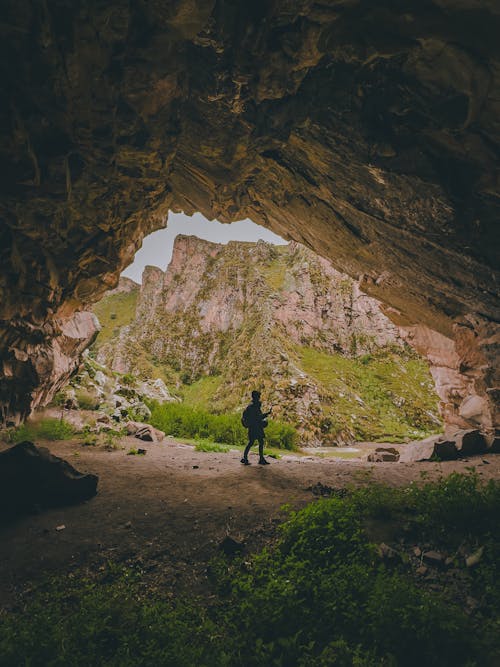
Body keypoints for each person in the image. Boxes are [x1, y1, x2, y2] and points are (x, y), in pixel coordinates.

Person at [241, 390, 272, 465]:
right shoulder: (253, 407)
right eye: (258, 396)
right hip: (256, 427)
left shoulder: (252, 406)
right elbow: (258, 417)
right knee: (258, 442)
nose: (259, 398)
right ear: (256, 397)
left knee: (252, 442)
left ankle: (246, 458)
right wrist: (266, 414)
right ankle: (257, 459)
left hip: (253, 427)